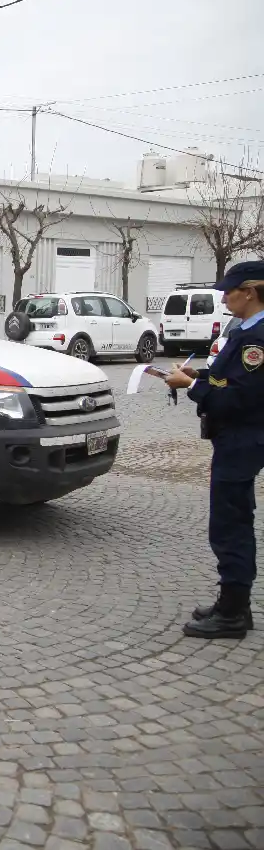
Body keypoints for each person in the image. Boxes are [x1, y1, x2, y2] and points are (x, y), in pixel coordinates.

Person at [165, 260, 264, 639]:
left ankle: (234, 612)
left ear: (250, 292)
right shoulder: (247, 330)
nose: (224, 297)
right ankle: (232, 602)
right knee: (232, 519)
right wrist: (199, 376)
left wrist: (191, 388)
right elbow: (232, 378)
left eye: (229, 290)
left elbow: (238, 398)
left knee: (230, 523)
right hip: (238, 437)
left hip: (241, 439)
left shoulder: (256, 338)